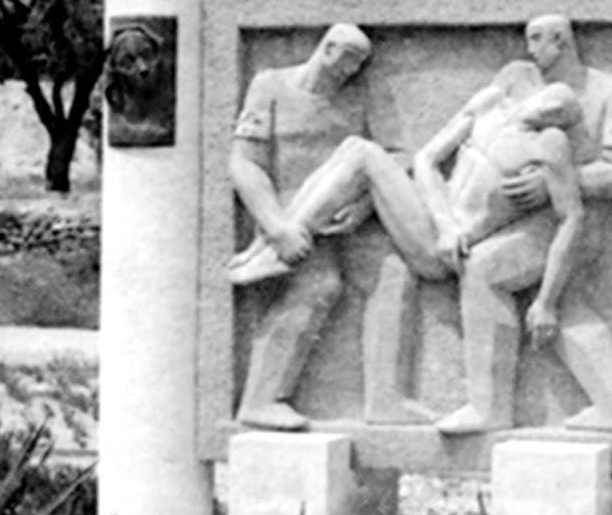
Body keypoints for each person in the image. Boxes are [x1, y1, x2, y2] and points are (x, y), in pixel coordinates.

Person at [228, 83, 588, 367]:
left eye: (562, 113)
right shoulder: (489, 106)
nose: (552, 109)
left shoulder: (545, 148)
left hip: (444, 251)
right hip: (435, 219)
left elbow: (572, 219)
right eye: (550, 100)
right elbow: (427, 159)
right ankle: (277, 238)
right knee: (356, 148)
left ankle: (276, 246)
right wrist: (441, 221)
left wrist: (547, 302)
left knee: (365, 156)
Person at [443, 13, 612, 436]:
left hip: (572, 221)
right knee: (568, 307)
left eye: (537, 40)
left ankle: (488, 407)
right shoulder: (526, 90)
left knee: (483, 271)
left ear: (561, 40)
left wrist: (553, 182)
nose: (530, 49)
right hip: (525, 221)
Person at [229, 23, 384, 431]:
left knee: (325, 285)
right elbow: (244, 163)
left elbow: (384, 161)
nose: (352, 70)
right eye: (349, 58)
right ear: (327, 48)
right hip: (280, 221)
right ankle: (260, 400)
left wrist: (363, 208)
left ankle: (263, 399)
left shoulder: (354, 101)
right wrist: (277, 228)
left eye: (360, 64)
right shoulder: (270, 85)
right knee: (319, 286)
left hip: (328, 227)